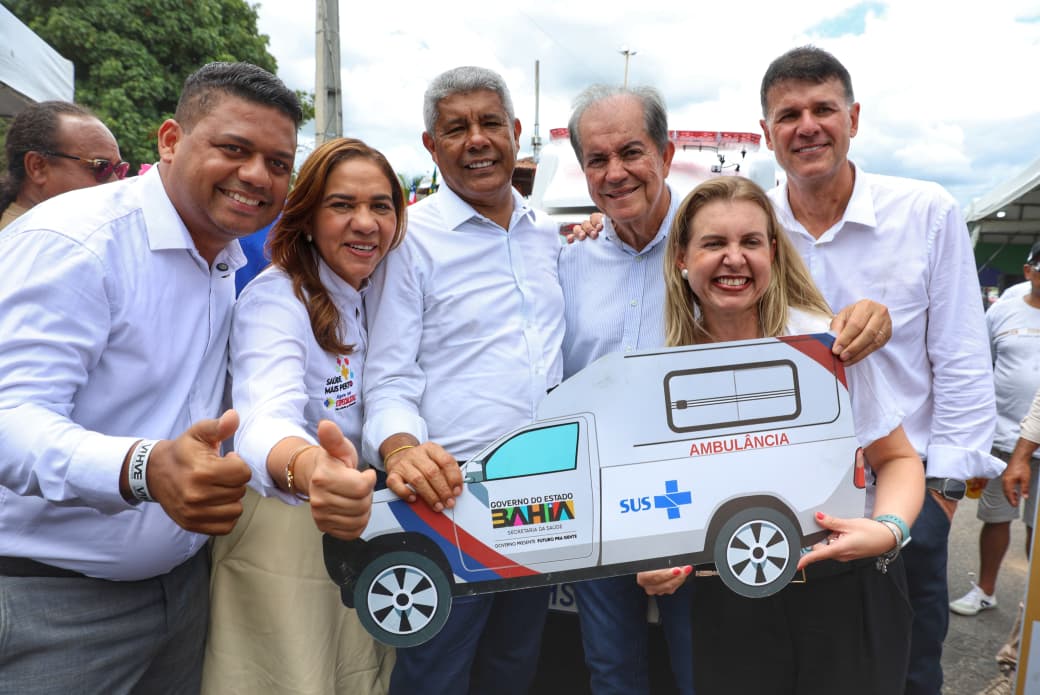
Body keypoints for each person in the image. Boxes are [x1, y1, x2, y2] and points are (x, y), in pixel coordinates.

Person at [561, 83, 894, 695]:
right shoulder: (568, 256)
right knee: (611, 667)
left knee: (708, 666)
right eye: (597, 159)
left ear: (665, 155)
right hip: (602, 502)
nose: (615, 172)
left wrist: (867, 316)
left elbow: (795, 314)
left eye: (631, 152)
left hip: (702, 503)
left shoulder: (711, 239)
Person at [0, 62, 301, 694]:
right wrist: (142, 467)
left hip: (182, 595)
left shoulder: (225, 256)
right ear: (170, 140)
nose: (257, 175)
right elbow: (10, 419)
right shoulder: (77, 241)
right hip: (51, 605)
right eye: (234, 148)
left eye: (278, 163)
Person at [758, 46, 1001, 694]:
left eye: (823, 109)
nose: (807, 126)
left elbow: (962, 356)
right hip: (789, 511)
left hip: (902, 504)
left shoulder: (924, 212)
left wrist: (941, 499)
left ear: (854, 118)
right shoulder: (754, 225)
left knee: (908, 674)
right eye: (788, 115)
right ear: (766, 132)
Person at [670, 175, 923, 694]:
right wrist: (654, 562)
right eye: (714, 243)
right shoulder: (665, 362)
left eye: (750, 242)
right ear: (682, 258)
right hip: (730, 595)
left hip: (845, 588)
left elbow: (897, 458)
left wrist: (889, 529)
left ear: (773, 252)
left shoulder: (825, 345)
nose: (734, 259)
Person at [361, 66, 564, 695]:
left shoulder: (548, 234)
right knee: (435, 675)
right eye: (456, 129)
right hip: (447, 507)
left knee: (515, 668)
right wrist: (402, 450)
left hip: (543, 503)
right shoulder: (408, 242)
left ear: (516, 132)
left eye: (490, 123)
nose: (477, 140)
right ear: (431, 145)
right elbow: (387, 377)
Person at [202, 137, 404, 694]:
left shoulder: (368, 290)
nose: (365, 222)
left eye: (380, 205)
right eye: (342, 205)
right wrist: (310, 468)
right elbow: (263, 416)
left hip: (353, 511)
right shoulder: (278, 299)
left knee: (354, 674)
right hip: (284, 523)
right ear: (309, 217)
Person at [951, 241, 1040, 617]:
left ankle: (1032, 607)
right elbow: (979, 368)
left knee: (1037, 528)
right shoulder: (1002, 312)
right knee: (995, 518)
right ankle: (985, 590)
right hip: (1003, 437)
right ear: (1029, 271)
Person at [0, 100, 127, 230]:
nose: (115, 182)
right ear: (37, 167)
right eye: (102, 167)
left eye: (120, 170)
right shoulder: (30, 238)